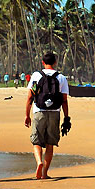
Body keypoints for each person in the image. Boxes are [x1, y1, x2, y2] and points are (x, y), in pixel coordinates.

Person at [25, 52, 69, 180]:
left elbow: (30, 96)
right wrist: (66, 117)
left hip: (39, 111)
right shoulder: (61, 78)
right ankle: (44, 173)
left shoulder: (36, 76)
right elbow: (64, 100)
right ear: (55, 62)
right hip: (55, 112)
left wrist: (27, 115)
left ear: (43, 62)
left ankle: (39, 161)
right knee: (50, 143)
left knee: (36, 141)